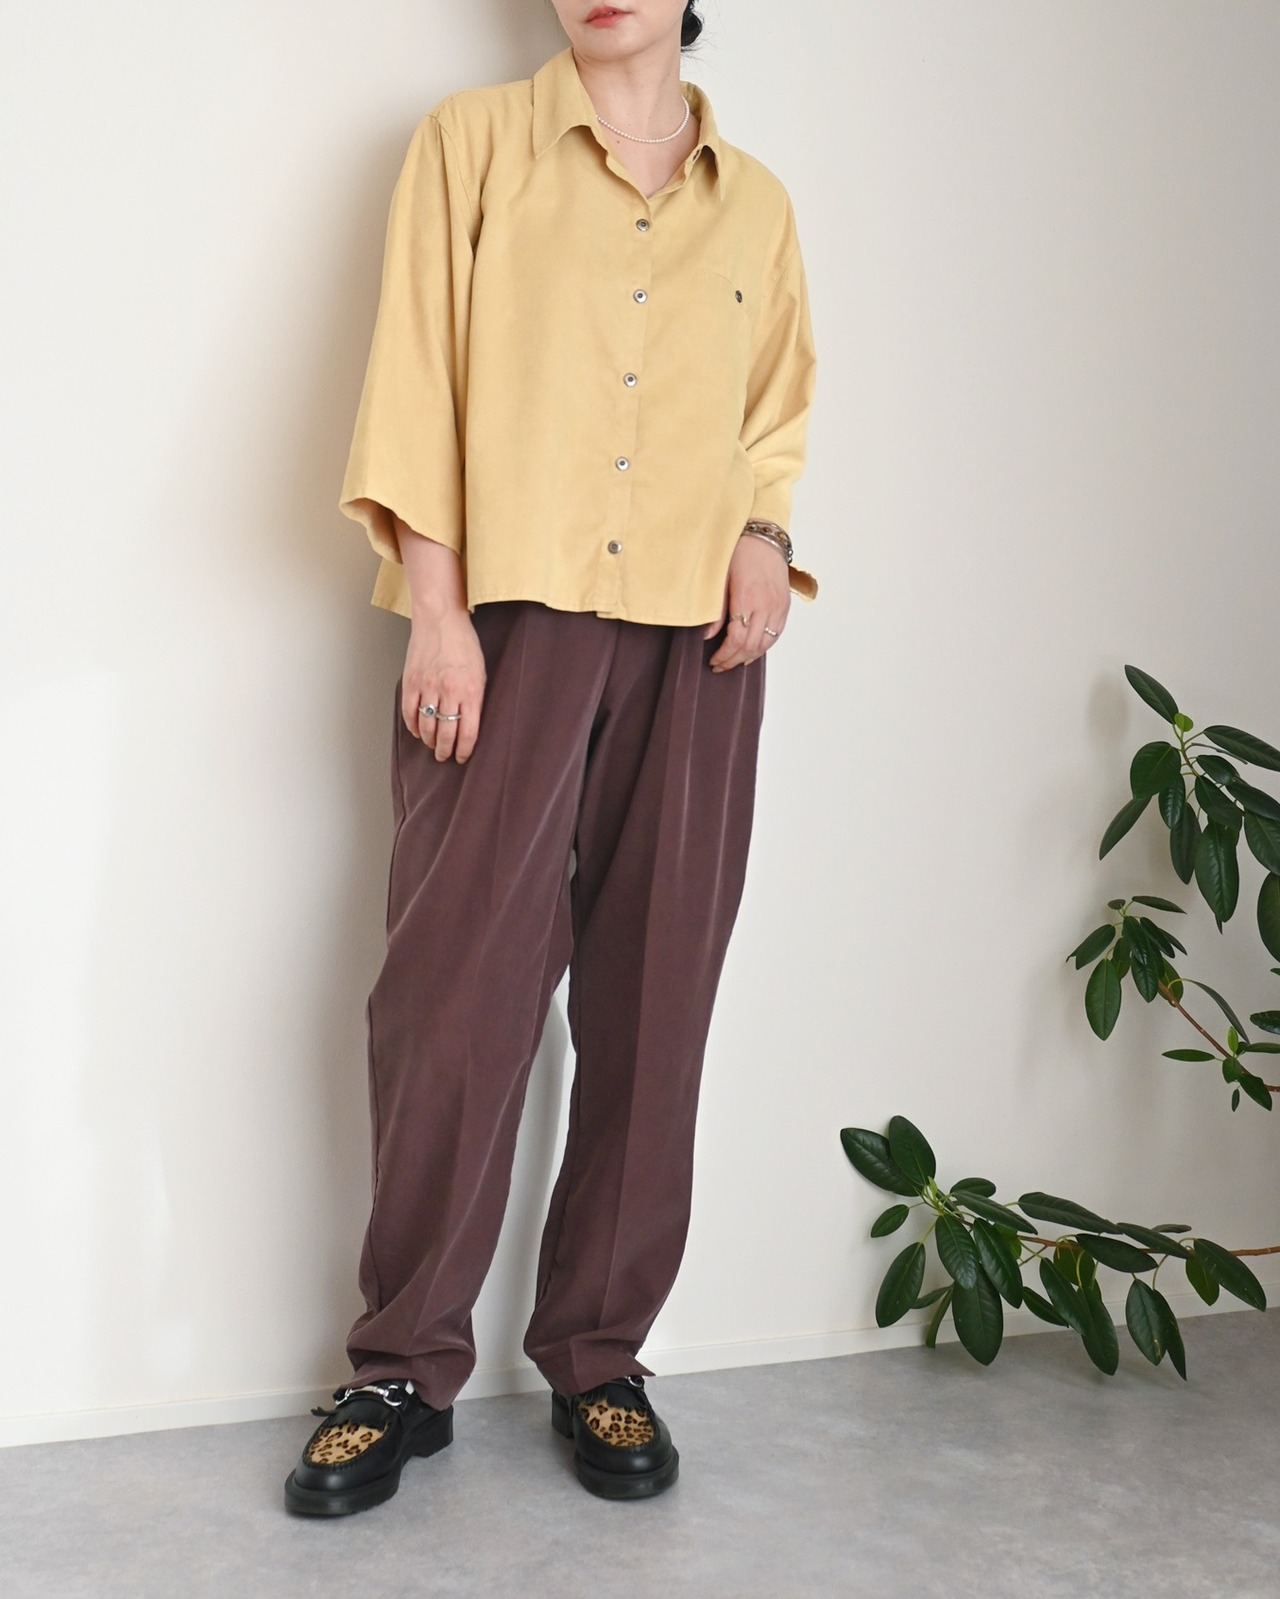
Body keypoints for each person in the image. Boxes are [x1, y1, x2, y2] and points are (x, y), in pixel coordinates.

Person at [284, 0, 819, 1517]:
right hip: (507, 622)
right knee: (453, 994)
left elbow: (776, 408)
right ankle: (399, 1366)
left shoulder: (757, 203)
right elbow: (417, 378)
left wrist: (764, 532)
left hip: (699, 642)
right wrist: (438, 614)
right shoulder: (471, 148)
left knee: (658, 996)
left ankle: (600, 1352)